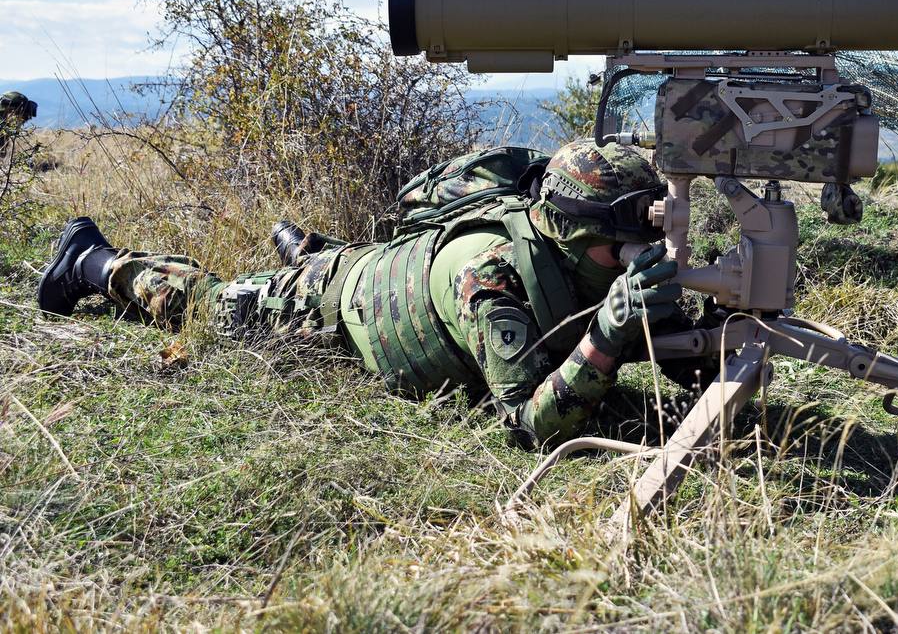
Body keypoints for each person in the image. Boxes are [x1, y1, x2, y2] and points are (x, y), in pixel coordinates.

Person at [36, 140, 682, 446]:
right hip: (331, 313)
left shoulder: (571, 253)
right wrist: (604, 338)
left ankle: (317, 249)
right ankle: (92, 259)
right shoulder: (492, 282)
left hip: (381, 271)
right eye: (615, 244)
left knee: (341, 265)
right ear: (567, 233)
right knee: (213, 304)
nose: (627, 256)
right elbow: (526, 426)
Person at [0, 90, 38, 155]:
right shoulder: (19, 103)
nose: (28, 118)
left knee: (5, 134)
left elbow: (16, 127)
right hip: (2, 111)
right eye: (28, 116)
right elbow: (3, 103)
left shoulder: (22, 103)